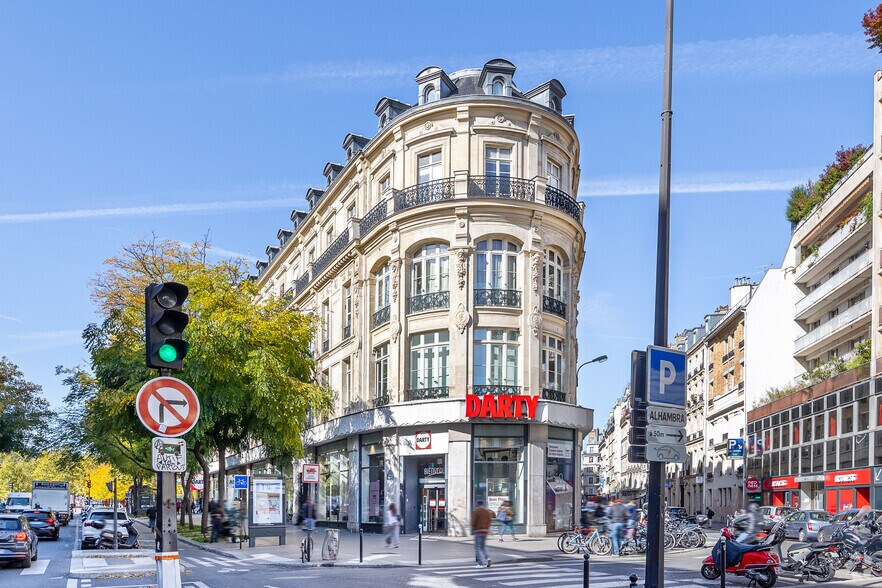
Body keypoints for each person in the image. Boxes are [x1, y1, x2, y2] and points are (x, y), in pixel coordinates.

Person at [471, 500, 493, 569]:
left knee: (477, 547)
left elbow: (474, 522)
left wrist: (473, 529)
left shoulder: (477, 512)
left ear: (477, 505)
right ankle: (488, 558)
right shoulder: (487, 512)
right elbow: (490, 520)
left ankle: (480, 563)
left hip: (478, 531)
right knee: (483, 546)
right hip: (485, 531)